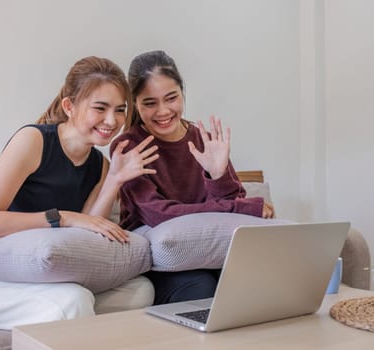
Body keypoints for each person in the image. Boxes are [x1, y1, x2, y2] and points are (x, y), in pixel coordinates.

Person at [0, 56, 159, 330]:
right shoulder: (32, 141)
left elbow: (86, 236)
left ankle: (6, 318)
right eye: (100, 108)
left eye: (119, 110)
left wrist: (114, 180)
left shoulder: (100, 165)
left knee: (141, 291)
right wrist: (62, 218)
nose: (111, 120)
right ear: (69, 106)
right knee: (74, 301)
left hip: (37, 279)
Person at [110, 50, 274, 305]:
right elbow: (158, 214)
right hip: (163, 261)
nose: (163, 111)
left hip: (212, 250)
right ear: (135, 104)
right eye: (150, 103)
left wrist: (219, 176)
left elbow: (236, 210)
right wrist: (236, 207)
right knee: (202, 287)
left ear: (182, 93)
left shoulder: (201, 138)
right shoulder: (129, 145)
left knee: (253, 279)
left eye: (171, 98)